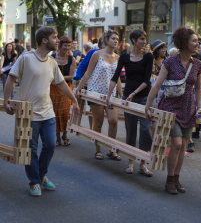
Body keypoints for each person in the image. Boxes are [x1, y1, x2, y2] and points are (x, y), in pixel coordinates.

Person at [4, 26, 79, 197]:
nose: (57, 40)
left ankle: (41, 174)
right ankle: (35, 181)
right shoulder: (26, 58)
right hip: (29, 112)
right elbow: (11, 78)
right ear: (45, 40)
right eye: (54, 37)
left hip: (48, 112)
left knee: (51, 145)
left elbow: (60, 84)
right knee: (31, 148)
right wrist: (7, 100)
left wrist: (74, 101)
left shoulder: (52, 62)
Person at [145, 27, 201, 194]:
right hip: (170, 108)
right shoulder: (170, 62)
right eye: (194, 40)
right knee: (177, 144)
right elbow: (157, 85)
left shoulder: (197, 63)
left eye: (198, 41)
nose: (197, 43)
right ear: (184, 43)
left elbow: (198, 89)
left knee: (184, 145)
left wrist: (199, 107)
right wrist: (148, 106)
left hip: (188, 108)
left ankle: (176, 179)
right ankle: (169, 180)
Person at [107, 29, 154, 176]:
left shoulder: (148, 57)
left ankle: (143, 165)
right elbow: (115, 77)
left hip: (144, 97)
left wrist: (133, 93)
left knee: (146, 130)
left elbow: (147, 80)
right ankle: (131, 162)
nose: (144, 42)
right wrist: (109, 96)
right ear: (133, 40)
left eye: (145, 39)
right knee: (131, 129)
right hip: (128, 98)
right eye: (141, 39)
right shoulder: (125, 56)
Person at [76, 30, 122, 160]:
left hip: (111, 94)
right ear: (106, 40)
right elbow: (88, 73)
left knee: (113, 121)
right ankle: (98, 149)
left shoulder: (118, 57)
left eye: (117, 39)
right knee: (99, 121)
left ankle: (111, 150)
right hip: (95, 92)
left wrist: (122, 95)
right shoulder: (97, 54)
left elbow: (117, 78)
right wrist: (78, 89)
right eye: (113, 38)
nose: (115, 41)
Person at [50, 36, 76, 146]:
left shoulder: (71, 59)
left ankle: (64, 135)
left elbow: (70, 77)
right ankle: (56, 137)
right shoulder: (52, 58)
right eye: (65, 45)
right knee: (55, 113)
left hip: (66, 89)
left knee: (65, 113)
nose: (67, 48)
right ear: (60, 46)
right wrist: (56, 79)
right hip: (54, 89)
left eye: (69, 46)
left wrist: (58, 78)